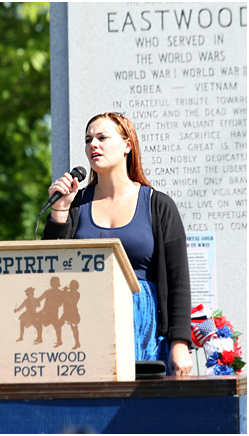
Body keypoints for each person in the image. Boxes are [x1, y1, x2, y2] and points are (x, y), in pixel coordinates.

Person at [42, 112, 193, 376]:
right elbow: (48, 269)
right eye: (88, 139)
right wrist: (60, 212)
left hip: (144, 331)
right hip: (85, 330)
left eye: (102, 137)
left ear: (127, 145)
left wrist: (179, 343)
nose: (93, 145)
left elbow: (178, 280)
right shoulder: (76, 204)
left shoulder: (158, 205)